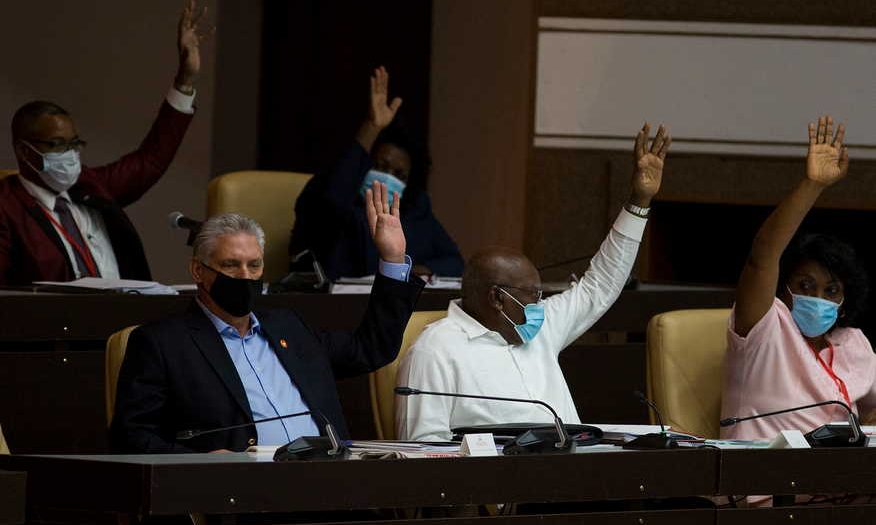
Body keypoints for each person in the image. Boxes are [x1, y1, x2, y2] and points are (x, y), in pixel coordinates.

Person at [396, 124, 672, 441]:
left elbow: (599, 286)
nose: (540, 305)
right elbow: (421, 448)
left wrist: (638, 203)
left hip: (576, 476)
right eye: (533, 295)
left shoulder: (538, 329)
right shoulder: (436, 350)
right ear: (497, 298)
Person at [111, 182, 424, 453]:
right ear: (198, 271)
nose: (245, 276)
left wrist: (392, 258)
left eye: (254, 266)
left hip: (330, 482)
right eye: (231, 265)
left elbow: (372, 349)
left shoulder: (288, 327)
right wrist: (201, 462)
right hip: (244, 495)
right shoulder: (164, 344)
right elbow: (131, 438)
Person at [0, 0, 209, 285]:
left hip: (122, 316)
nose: (70, 155)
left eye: (75, 143)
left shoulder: (90, 185)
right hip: (53, 324)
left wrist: (184, 81)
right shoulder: (6, 207)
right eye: (57, 145)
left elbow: (150, 160)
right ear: (24, 151)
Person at [722, 115, 876, 441]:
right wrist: (814, 185)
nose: (817, 297)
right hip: (764, 486)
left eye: (830, 290)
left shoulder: (853, 343)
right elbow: (762, 256)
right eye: (805, 285)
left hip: (838, 486)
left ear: (844, 303)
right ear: (785, 288)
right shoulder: (765, 327)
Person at [290, 66, 463, 280]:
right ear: (363, 163)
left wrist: (412, 270)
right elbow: (333, 199)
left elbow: (454, 262)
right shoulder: (327, 194)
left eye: (399, 175)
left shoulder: (415, 207)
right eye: (380, 166)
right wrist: (372, 127)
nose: (388, 178)